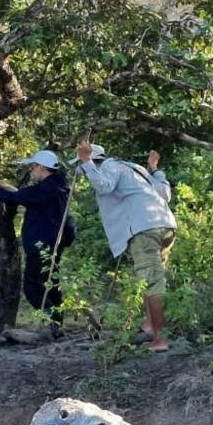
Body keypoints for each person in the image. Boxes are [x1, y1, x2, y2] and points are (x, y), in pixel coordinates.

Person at [72, 141, 176, 352]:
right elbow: (165, 194)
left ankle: (160, 339)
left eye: (82, 166)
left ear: (94, 160)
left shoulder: (111, 166)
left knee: (153, 282)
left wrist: (86, 161)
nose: (82, 172)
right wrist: (155, 168)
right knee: (151, 279)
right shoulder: (135, 168)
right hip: (164, 225)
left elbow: (103, 185)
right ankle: (149, 326)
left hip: (144, 228)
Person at [0, 149, 72, 338]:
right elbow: (29, 197)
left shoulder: (48, 188)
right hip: (52, 242)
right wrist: (10, 191)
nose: (31, 170)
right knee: (51, 283)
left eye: (33, 166)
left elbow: (23, 197)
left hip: (41, 244)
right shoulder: (56, 186)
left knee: (32, 286)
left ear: (42, 167)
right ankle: (56, 324)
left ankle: (52, 323)